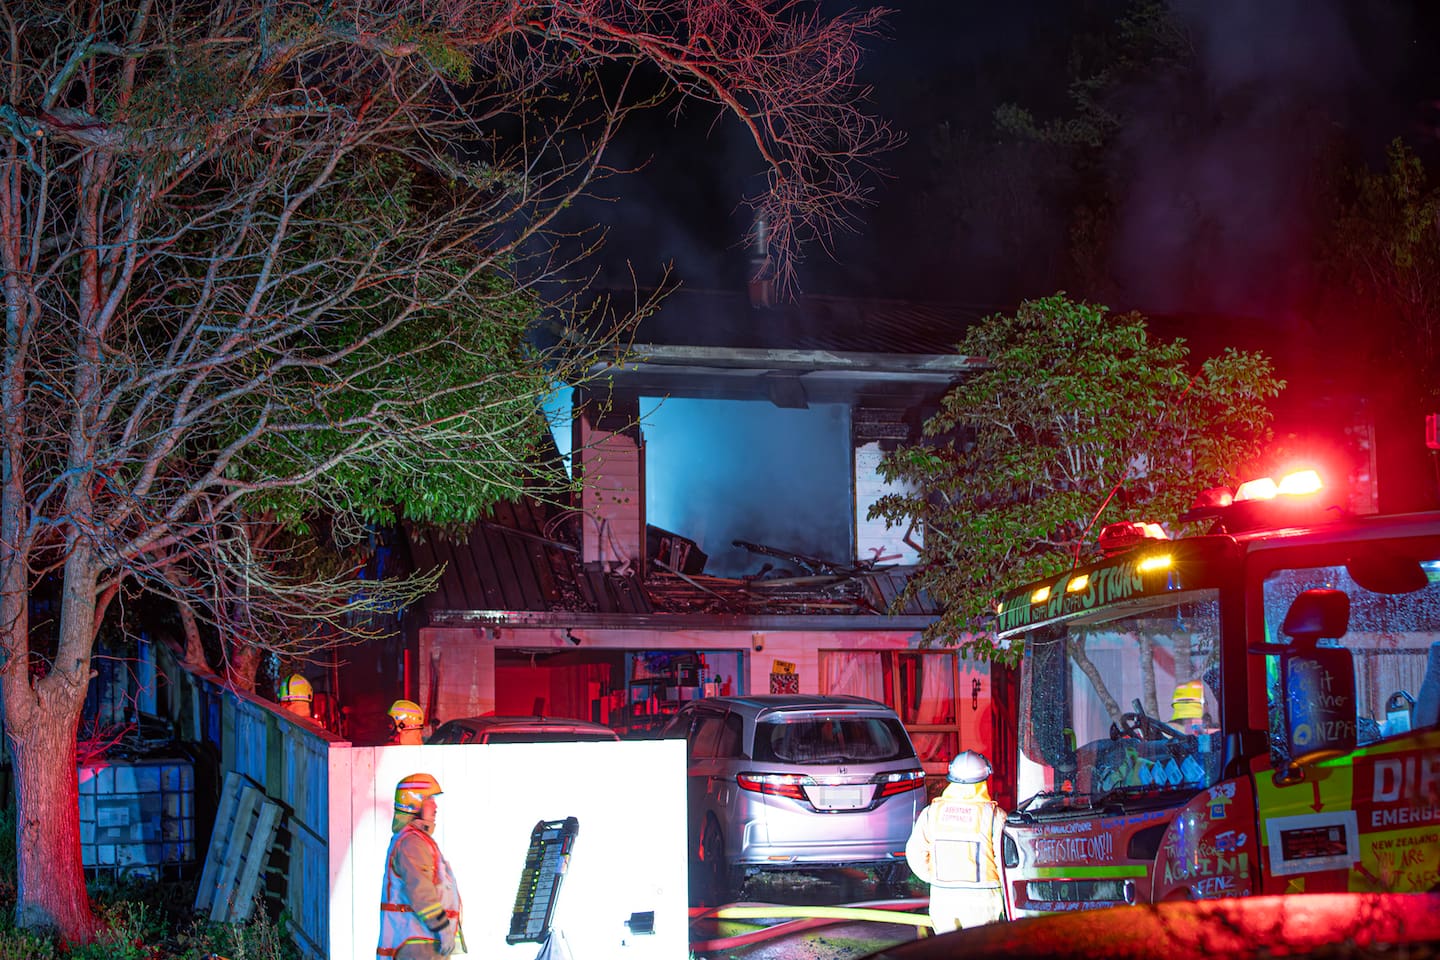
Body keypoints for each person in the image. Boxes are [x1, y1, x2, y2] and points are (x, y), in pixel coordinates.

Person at [905, 750, 1007, 934]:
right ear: (984, 779)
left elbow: (915, 854)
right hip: (982, 901)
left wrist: (934, 878)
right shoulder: (994, 816)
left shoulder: (931, 813)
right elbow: (1005, 862)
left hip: (943, 898)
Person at [378, 773, 466, 959]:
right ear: (413, 804)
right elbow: (421, 891)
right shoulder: (412, 842)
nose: (435, 806)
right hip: (419, 944)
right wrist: (442, 927)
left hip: (423, 942)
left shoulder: (416, 841)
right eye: (429, 799)